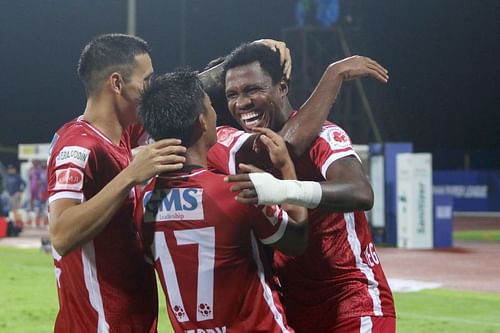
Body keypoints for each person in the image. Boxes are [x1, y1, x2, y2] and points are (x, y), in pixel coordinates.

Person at [209, 43, 395, 332]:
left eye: (252, 90)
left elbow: (360, 192)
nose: (242, 103)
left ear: (282, 87)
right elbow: (178, 96)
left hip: (350, 297)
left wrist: (288, 190)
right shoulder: (231, 141)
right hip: (291, 305)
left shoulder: (324, 134)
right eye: (232, 94)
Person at [136, 71, 308, 332]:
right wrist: (286, 169)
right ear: (202, 121)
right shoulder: (234, 191)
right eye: (210, 106)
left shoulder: (144, 202)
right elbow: (296, 240)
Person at [47, 33, 186, 332]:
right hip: (99, 324)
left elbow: (184, 94)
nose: (153, 91)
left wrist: (244, 59)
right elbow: (60, 233)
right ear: (117, 84)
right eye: (146, 81)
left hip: (130, 320)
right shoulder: (78, 147)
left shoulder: (122, 134)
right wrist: (130, 176)